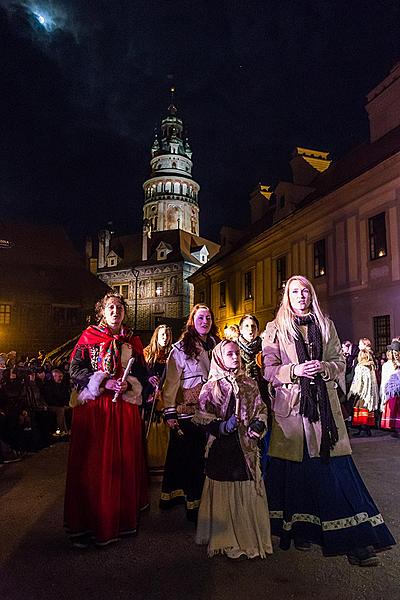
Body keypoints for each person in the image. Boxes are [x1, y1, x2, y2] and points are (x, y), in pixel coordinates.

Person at [262, 275, 395, 567]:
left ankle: (357, 541)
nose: (301, 296)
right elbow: (269, 369)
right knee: (296, 478)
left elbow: (339, 362)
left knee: (337, 475)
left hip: (324, 413)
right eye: (295, 292)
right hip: (293, 414)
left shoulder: (325, 324)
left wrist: (323, 367)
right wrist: (295, 370)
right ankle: (301, 530)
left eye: (305, 291)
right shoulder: (275, 329)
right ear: (287, 297)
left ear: (311, 295)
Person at [64, 291, 148, 548]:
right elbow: (75, 370)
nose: (115, 311)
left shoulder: (132, 340)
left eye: (119, 307)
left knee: (122, 464)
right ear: (101, 311)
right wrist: (102, 381)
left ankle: (120, 520)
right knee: (94, 465)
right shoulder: (89, 336)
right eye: (110, 307)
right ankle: (89, 524)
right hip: (96, 410)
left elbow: (142, 374)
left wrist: (131, 384)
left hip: (123, 411)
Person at [194, 340, 272, 559]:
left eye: (237, 353)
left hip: (244, 447)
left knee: (247, 488)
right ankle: (225, 538)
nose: (235, 357)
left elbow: (261, 408)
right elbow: (202, 418)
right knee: (224, 489)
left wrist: (258, 424)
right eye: (230, 354)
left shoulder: (249, 382)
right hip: (222, 449)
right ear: (219, 357)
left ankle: (248, 539)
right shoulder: (211, 386)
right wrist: (220, 426)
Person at [160, 304, 220, 522]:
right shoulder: (180, 348)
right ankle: (193, 506)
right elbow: (171, 383)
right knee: (191, 460)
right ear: (192, 321)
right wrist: (170, 413)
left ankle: (209, 503)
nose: (205, 322)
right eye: (201, 318)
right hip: (189, 413)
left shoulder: (216, 345)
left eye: (209, 318)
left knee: (209, 460)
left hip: (213, 411)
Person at [143, 324, 173, 475]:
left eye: (167, 335)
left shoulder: (172, 354)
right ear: (156, 336)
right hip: (151, 397)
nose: (165, 338)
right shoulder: (147, 353)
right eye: (162, 335)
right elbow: (141, 373)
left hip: (166, 395)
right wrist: (149, 378)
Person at [381, 339, 400, 438]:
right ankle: (397, 429)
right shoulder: (391, 364)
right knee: (396, 411)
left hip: (397, 389)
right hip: (395, 391)